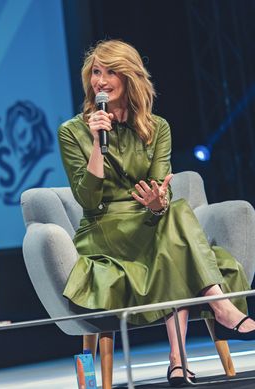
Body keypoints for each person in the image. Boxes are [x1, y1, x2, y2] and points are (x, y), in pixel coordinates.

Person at [57, 39, 254, 387]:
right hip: (105, 229)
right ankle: (221, 307)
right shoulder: (73, 131)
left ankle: (178, 362)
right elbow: (87, 200)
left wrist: (158, 203)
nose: (100, 81)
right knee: (178, 228)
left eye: (110, 72)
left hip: (151, 219)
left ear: (130, 77)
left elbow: (161, 185)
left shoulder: (157, 127)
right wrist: (96, 144)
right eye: (95, 73)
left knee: (173, 213)